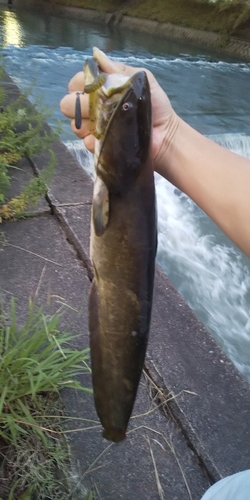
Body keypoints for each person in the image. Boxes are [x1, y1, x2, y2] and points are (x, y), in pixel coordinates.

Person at [60, 48, 250, 498]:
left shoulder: (115, 180)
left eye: (125, 108)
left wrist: (145, 125)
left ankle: (113, 421)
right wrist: (165, 136)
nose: (129, 99)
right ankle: (114, 420)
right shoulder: (119, 176)